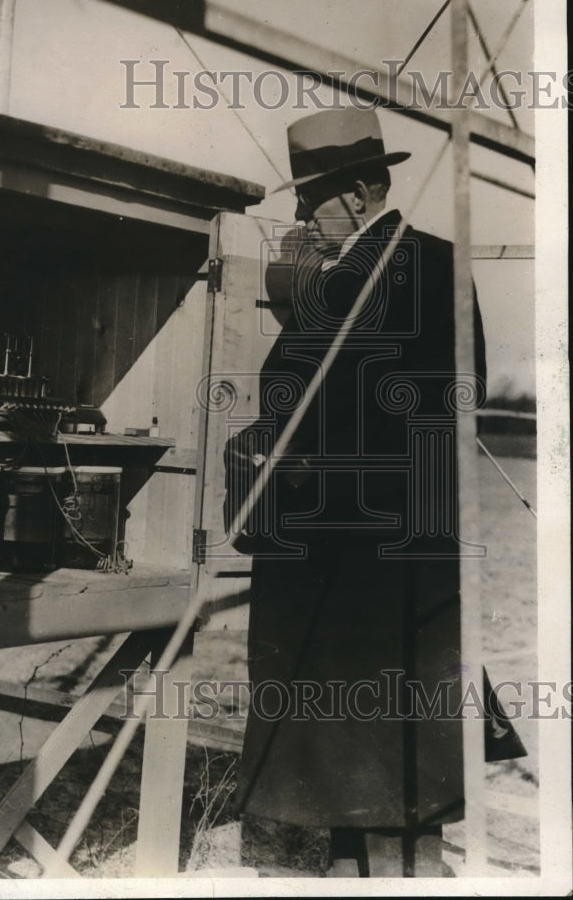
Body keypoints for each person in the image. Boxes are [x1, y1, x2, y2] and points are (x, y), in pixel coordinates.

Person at [224, 106, 523, 877]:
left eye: (309, 197)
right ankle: (364, 868)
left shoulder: (425, 266)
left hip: (376, 556)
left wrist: (303, 463)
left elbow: (448, 399)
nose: (296, 215)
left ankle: (400, 873)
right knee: (353, 764)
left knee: (388, 757)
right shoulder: (335, 278)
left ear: (360, 192)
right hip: (339, 551)